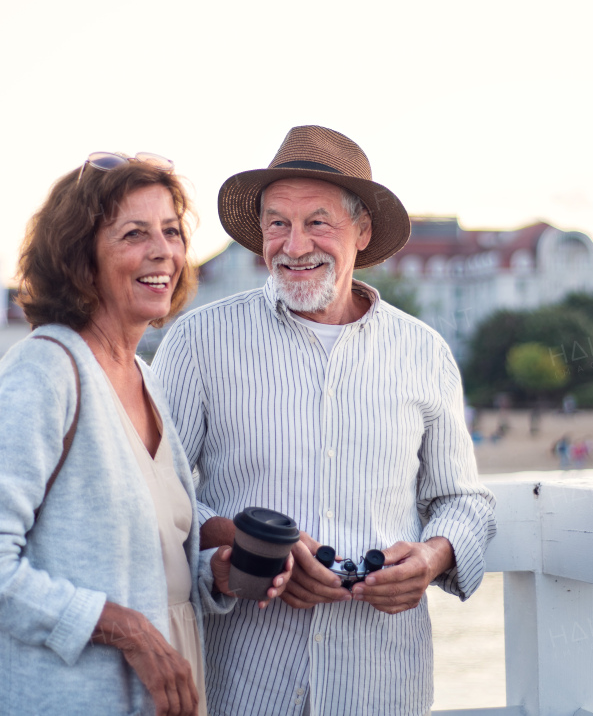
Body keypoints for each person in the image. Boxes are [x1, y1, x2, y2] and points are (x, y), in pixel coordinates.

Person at [152, 125, 496, 716]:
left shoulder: (425, 352)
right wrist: (255, 551)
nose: (294, 244)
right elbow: (158, 500)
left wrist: (433, 558)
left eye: (318, 222)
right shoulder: (196, 343)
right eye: (277, 223)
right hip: (245, 683)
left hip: (384, 683)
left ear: (362, 232)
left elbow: (465, 501)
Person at [0, 154, 282, 716]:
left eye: (171, 232)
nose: (163, 252)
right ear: (80, 258)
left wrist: (212, 572)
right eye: (134, 234)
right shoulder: (42, 373)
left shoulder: (144, 376)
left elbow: (144, 556)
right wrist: (126, 629)